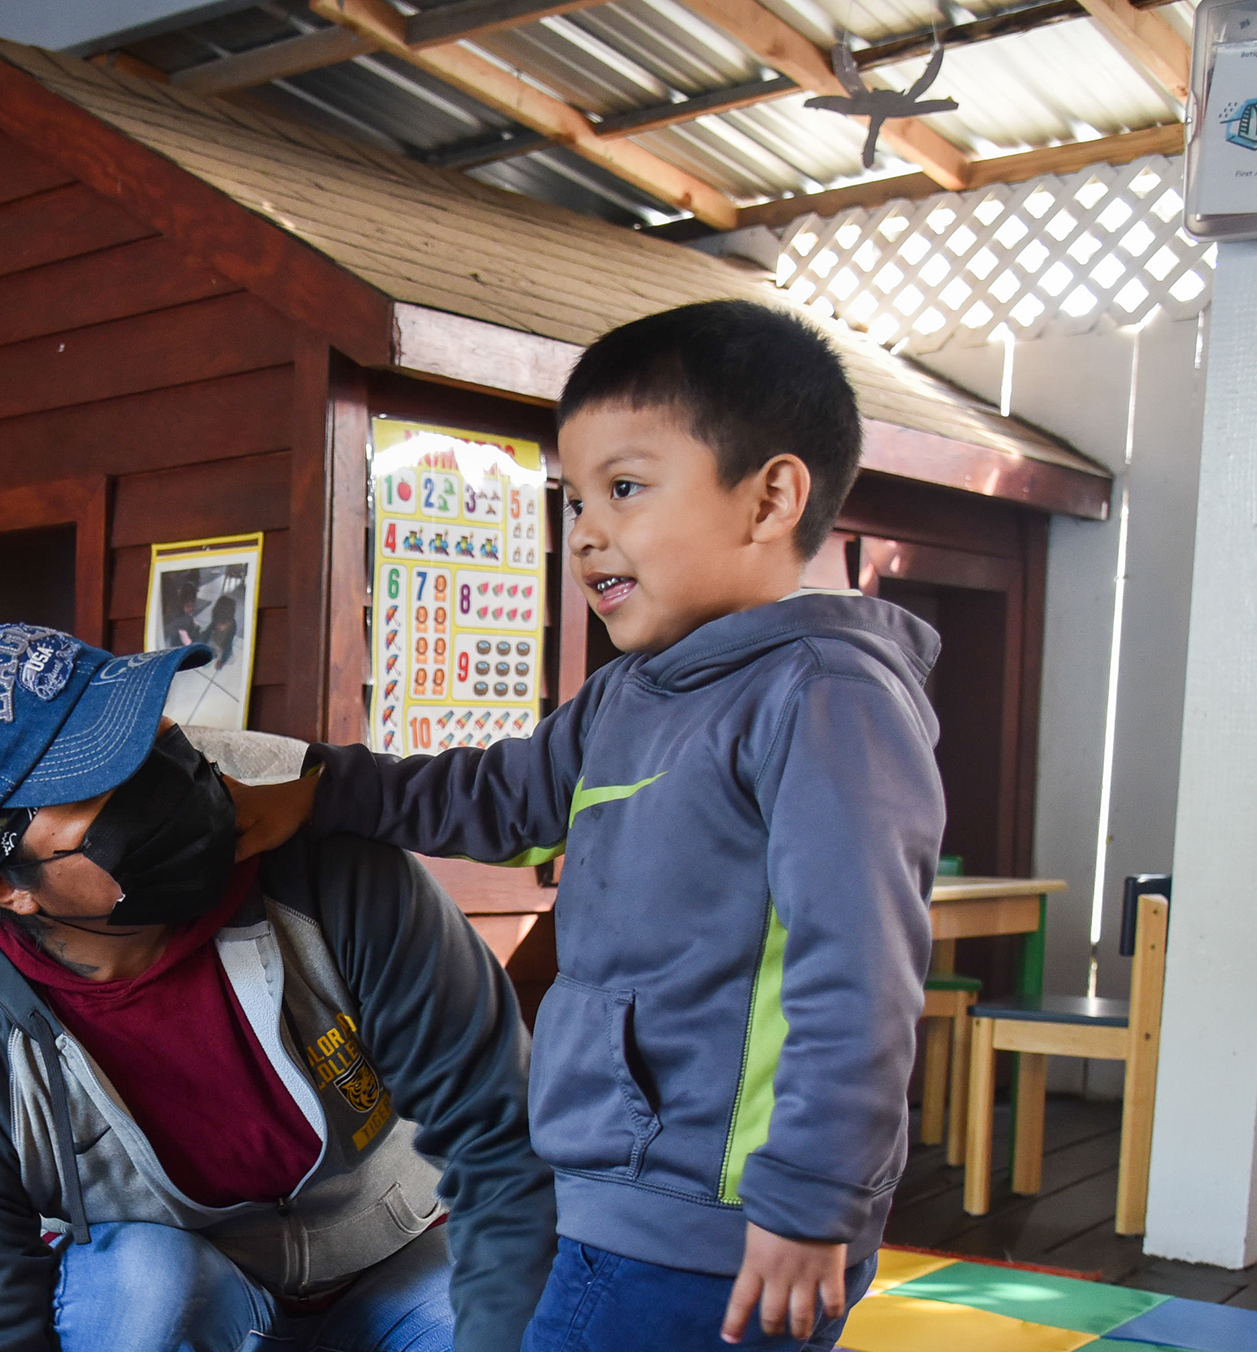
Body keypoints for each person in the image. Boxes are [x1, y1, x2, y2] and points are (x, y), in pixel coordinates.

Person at [234, 300, 944, 1350]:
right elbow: (490, 795)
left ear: (772, 498)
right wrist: (325, 786)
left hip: (726, 1216)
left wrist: (809, 1199)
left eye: (626, 487)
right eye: (573, 500)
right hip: (617, 1186)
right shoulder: (630, 700)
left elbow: (861, 972)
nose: (588, 532)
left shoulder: (822, 695)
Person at [0, 624, 554, 1352]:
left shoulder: (338, 886)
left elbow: (503, 1150)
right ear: (5, 884)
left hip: (400, 1273)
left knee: (510, 1317)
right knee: (148, 1288)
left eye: (143, 728)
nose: (162, 774)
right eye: (99, 776)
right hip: (207, 1314)